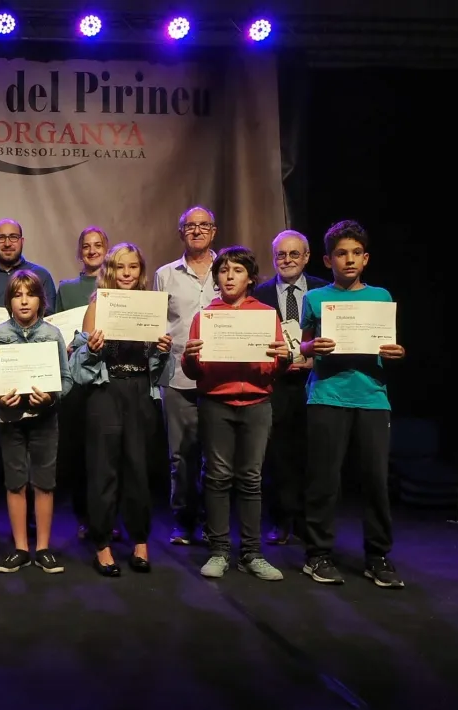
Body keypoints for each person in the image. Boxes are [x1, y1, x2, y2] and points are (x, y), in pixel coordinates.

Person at [299, 220, 406, 588]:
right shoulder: (314, 298)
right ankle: (318, 554)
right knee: (324, 480)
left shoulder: (380, 296)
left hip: (372, 398)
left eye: (356, 253)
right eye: (341, 254)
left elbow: (388, 344)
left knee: (375, 480)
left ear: (366, 258)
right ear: (328, 259)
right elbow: (303, 346)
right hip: (327, 395)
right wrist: (312, 348)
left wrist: (395, 352)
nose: (349, 260)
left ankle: (377, 555)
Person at [182, 246, 289, 581]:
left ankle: (252, 554)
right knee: (216, 476)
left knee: (252, 478)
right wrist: (189, 356)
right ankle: (218, 551)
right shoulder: (207, 317)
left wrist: (284, 357)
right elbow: (193, 371)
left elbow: (275, 367)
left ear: (250, 278)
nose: (229, 276)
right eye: (224, 270)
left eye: (237, 270)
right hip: (216, 402)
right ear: (217, 277)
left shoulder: (265, 315)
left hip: (257, 403)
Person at [70, 243, 171, 576]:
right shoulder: (98, 305)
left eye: (133, 267)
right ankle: (103, 545)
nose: (127, 273)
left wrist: (162, 351)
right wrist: (93, 350)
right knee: (104, 470)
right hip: (105, 392)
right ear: (110, 271)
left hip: (140, 391)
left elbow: (159, 369)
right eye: (120, 267)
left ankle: (140, 541)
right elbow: (78, 368)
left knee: (139, 469)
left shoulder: (151, 306)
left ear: (141, 271)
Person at [0, 219, 58, 536]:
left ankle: (34, 522)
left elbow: (51, 326)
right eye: (1, 238)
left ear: (23, 239)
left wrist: (52, 388)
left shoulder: (41, 275)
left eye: (13, 237)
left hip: (38, 390)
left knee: (39, 464)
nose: (7, 242)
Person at [0, 271, 73, 574]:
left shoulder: (52, 334)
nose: (24, 301)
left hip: (45, 419)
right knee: (15, 483)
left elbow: (66, 379)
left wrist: (51, 397)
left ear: (41, 299)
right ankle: (21, 548)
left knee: (44, 483)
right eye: (17, 295)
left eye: (30, 294)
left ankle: (43, 548)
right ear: (9, 300)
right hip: (10, 419)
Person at [253, 230, 329, 544]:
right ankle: (282, 521)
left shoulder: (325, 291)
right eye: (281, 255)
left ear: (307, 257)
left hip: (317, 382)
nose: (287, 260)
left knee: (315, 454)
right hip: (277, 383)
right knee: (279, 454)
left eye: (294, 254)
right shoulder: (260, 294)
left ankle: (308, 522)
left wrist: (313, 361)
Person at [154, 206, 220, 545]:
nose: (196, 231)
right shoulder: (165, 274)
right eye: (189, 226)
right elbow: (155, 321)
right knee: (180, 456)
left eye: (203, 226)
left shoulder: (228, 269)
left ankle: (214, 524)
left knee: (216, 456)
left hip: (220, 377)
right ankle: (183, 521)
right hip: (177, 376)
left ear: (214, 231)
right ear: (181, 232)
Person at [56, 226, 110, 539]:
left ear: (107, 248)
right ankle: (83, 516)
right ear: (80, 252)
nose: (92, 251)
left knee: (105, 452)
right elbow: (58, 326)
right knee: (79, 451)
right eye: (86, 246)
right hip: (77, 378)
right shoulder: (67, 288)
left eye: (98, 245)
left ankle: (107, 516)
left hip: (109, 379)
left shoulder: (117, 286)